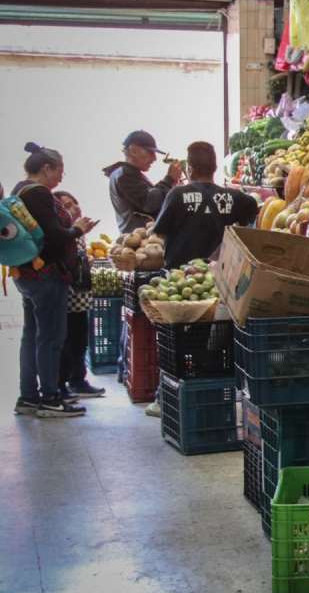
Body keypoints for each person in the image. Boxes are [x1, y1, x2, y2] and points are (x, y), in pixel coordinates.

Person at [13, 143, 98, 418]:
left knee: (31, 336)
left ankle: (28, 396)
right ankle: (50, 397)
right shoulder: (38, 193)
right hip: (47, 274)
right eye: (59, 171)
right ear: (46, 168)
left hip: (26, 273)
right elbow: (54, 234)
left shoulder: (19, 189)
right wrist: (77, 228)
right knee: (51, 337)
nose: (61, 177)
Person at [153, 141, 258, 269]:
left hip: (178, 276)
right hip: (216, 275)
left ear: (190, 169)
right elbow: (254, 209)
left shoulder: (176, 194)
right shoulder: (234, 197)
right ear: (214, 168)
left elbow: (159, 235)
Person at [53, 191, 107, 401]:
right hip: (69, 298)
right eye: (67, 205)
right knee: (68, 343)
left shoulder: (78, 233)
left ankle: (78, 380)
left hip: (81, 298)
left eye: (74, 202)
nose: (74, 207)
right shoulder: (65, 233)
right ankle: (64, 383)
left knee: (80, 341)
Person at [103, 130, 184, 233]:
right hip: (140, 242)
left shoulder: (130, 174)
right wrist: (169, 180)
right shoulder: (124, 175)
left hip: (146, 240)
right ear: (133, 150)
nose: (154, 158)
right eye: (151, 152)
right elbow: (149, 203)